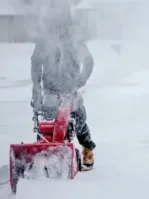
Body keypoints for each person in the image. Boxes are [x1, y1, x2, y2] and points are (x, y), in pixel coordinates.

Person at [30, 7, 96, 169]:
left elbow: (89, 61)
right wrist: (36, 85)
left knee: (78, 120)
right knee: (48, 124)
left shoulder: (75, 39)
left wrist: (80, 80)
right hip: (50, 89)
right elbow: (36, 63)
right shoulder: (44, 41)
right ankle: (45, 153)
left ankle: (87, 148)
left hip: (70, 87)